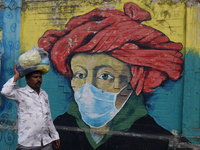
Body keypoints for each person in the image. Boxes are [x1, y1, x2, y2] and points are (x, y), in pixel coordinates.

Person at [38, 2, 187, 150]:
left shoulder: (157, 140)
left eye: (105, 76)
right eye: (80, 74)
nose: (88, 86)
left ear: (133, 80)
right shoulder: (60, 128)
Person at [1, 65, 60, 150]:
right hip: (27, 144)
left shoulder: (44, 95)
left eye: (40, 77)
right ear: (27, 79)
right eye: (35, 77)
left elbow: (48, 117)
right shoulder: (20, 93)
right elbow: (5, 92)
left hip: (46, 143)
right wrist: (16, 76)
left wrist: (55, 135)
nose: (38, 79)